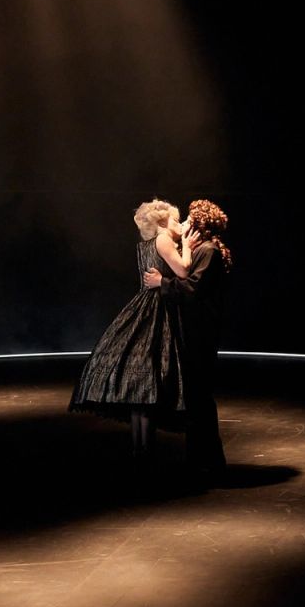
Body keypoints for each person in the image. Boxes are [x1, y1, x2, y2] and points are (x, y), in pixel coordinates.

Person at [69, 199, 202, 469]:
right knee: (148, 384)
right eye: (176, 220)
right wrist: (187, 246)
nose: (180, 224)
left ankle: (139, 451)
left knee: (141, 392)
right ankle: (144, 454)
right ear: (162, 222)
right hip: (156, 311)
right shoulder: (163, 239)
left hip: (143, 307)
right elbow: (183, 270)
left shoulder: (144, 245)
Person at [143, 198, 231, 484]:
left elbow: (193, 289)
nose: (183, 224)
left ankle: (210, 463)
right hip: (195, 331)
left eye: (189, 220)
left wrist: (162, 283)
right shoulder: (202, 249)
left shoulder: (209, 251)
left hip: (200, 333)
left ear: (200, 225)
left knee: (200, 398)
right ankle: (199, 461)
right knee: (196, 398)